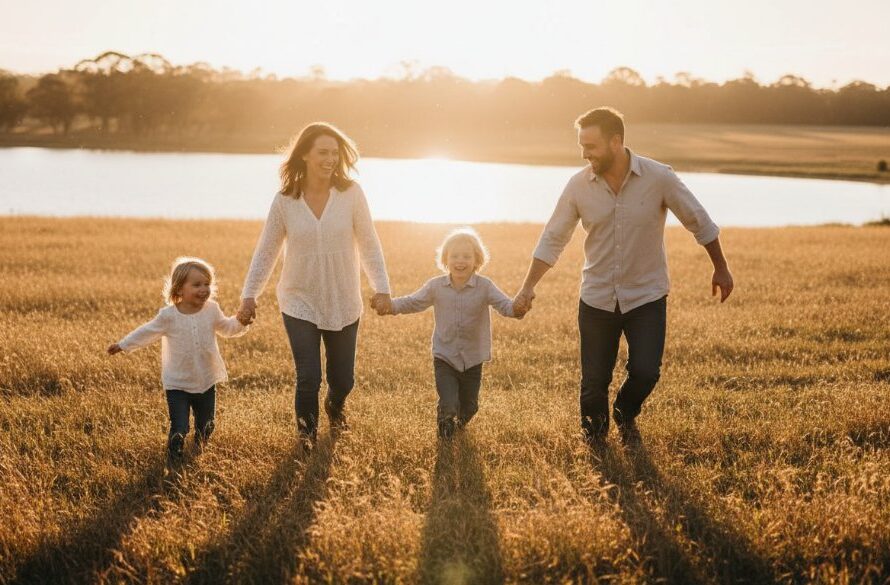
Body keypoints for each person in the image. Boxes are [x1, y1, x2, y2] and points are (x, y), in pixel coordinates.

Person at [513, 107, 734, 446]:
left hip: (646, 296)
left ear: (616, 141)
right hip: (597, 298)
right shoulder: (577, 186)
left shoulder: (659, 177)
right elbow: (553, 238)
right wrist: (528, 286)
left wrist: (720, 266)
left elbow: (698, 220)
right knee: (593, 384)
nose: (585, 154)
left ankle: (625, 413)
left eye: (591, 146)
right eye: (581, 146)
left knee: (646, 372)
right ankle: (596, 445)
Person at [237, 122, 391, 450]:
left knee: (342, 380)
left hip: (343, 299)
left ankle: (335, 406)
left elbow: (369, 243)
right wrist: (249, 295)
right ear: (305, 154)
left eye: (335, 153)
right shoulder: (285, 201)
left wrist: (382, 287)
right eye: (323, 152)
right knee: (308, 376)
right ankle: (306, 441)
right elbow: (267, 250)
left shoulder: (351, 194)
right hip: (298, 299)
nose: (330, 159)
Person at [375, 227, 526, 438]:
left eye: (466, 256)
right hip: (444, 356)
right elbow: (414, 302)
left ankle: (456, 428)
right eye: (454, 256)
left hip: (473, 359)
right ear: (446, 259)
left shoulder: (485, 287)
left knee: (470, 406)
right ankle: (445, 436)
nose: (460, 261)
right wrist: (391, 306)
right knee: (448, 403)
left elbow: (505, 306)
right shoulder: (436, 286)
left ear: (477, 260)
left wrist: (518, 308)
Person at [108, 257, 248, 460]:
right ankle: (174, 455)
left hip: (205, 379)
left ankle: (199, 449)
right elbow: (147, 332)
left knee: (207, 424)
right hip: (177, 383)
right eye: (197, 284)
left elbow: (227, 329)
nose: (204, 289)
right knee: (180, 425)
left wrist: (241, 321)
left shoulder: (211, 309)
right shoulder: (168, 316)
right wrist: (123, 344)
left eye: (207, 284)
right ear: (179, 289)